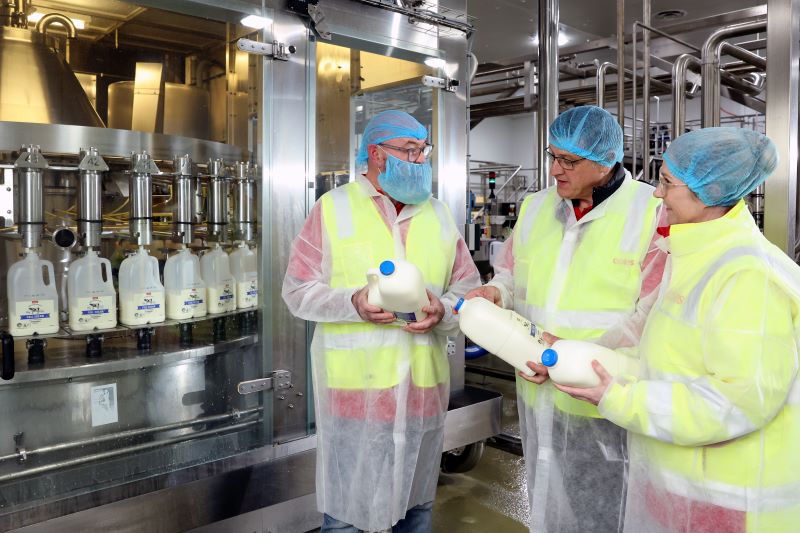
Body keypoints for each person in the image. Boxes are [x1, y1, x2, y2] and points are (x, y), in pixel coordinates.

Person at [556, 127, 800, 532]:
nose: (656, 193)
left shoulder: (746, 275)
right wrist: (578, 360)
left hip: (732, 502)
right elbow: (663, 354)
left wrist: (621, 399)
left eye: (668, 182)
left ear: (709, 192)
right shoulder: (693, 256)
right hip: (685, 488)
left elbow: (738, 401)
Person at [466, 105, 668, 532]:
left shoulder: (650, 211)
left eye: (569, 161)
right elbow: (511, 273)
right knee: (546, 500)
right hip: (536, 390)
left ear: (606, 160)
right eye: (552, 156)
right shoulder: (536, 206)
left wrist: (573, 355)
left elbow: (653, 311)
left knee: (608, 512)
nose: (555, 169)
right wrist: (496, 292)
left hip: (602, 397)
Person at [282, 110, 481, 532]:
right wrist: (352, 302)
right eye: (409, 150)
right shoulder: (333, 209)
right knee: (347, 517)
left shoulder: (438, 214)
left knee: (417, 509)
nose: (420, 160)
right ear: (376, 154)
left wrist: (443, 309)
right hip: (355, 395)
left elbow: (468, 287)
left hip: (422, 395)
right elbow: (297, 290)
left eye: (423, 150)